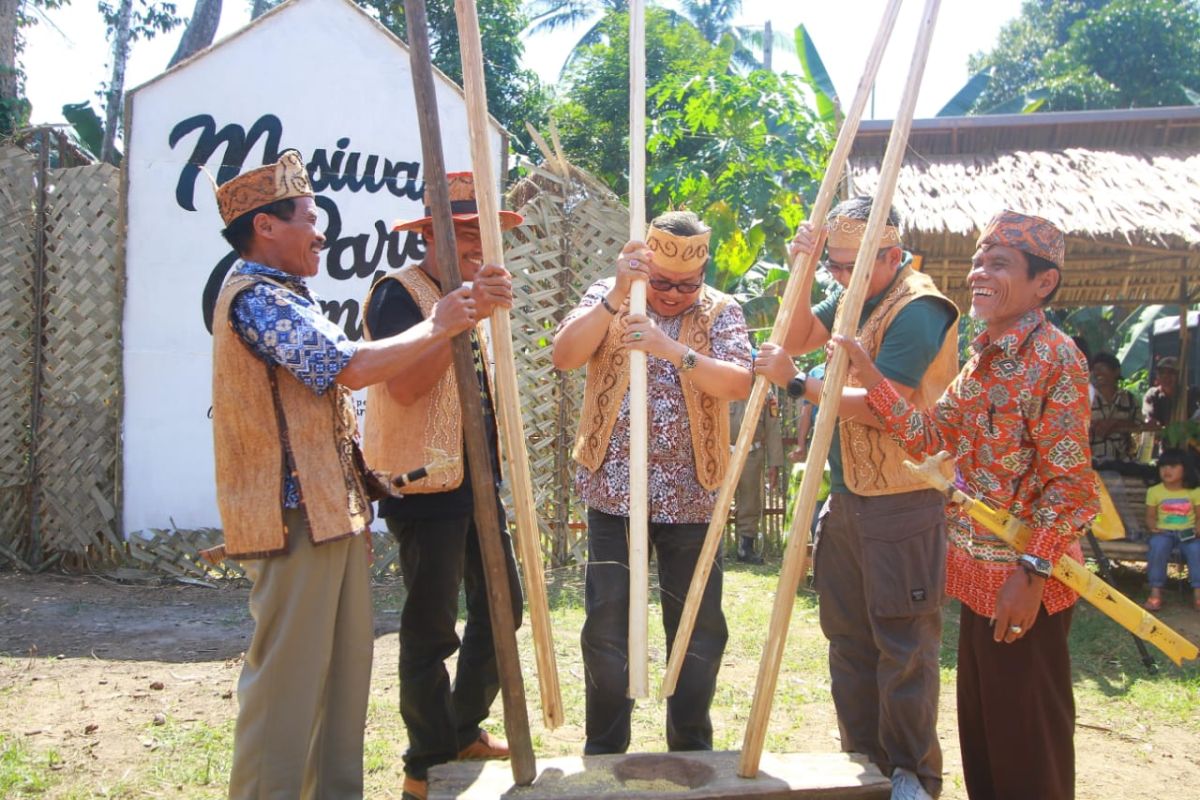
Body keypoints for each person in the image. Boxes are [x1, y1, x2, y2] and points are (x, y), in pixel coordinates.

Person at [211, 150, 479, 800]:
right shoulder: (256, 300)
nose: (321, 232)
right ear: (265, 226)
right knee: (287, 687)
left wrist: (356, 507)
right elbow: (350, 368)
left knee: (338, 679)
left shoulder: (285, 297)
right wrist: (441, 324)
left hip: (330, 516)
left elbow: (332, 406)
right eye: (309, 217)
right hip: (291, 521)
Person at [836, 210, 1099, 800]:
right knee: (985, 736)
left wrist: (1030, 575)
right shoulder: (983, 360)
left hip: (1027, 582)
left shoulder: (1056, 359)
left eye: (998, 263)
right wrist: (869, 373)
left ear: (1043, 283)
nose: (979, 272)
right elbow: (929, 438)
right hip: (979, 578)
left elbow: (1070, 486)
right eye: (979, 260)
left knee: (1029, 740)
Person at [753, 198, 958, 800]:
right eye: (833, 267)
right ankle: (863, 765)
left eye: (846, 266)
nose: (837, 277)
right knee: (848, 641)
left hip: (903, 497)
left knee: (903, 645)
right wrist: (803, 268)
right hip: (848, 496)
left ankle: (912, 774)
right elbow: (796, 332)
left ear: (890, 255)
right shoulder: (853, 290)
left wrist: (799, 383)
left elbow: (882, 404)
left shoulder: (919, 306)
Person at [551, 210, 752, 755]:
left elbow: (740, 383)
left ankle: (690, 750)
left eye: (686, 286)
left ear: (702, 274)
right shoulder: (610, 294)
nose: (671, 295)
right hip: (613, 495)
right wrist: (618, 295)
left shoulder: (722, 310)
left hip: (693, 495)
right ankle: (605, 750)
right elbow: (563, 355)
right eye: (661, 282)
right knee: (607, 625)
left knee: (698, 628)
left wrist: (673, 351)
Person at [361, 172, 524, 800]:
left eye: (486, 233)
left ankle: (461, 728)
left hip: (476, 482)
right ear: (429, 235)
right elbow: (404, 386)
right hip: (423, 485)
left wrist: (471, 311)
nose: (479, 244)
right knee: (432, 627)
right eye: (463, 232)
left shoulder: (466, 295)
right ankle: (424, 762)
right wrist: (454, 320)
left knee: (504, 604)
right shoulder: (397, 295)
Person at [730, 390, 785, 563]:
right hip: (722, 454)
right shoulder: (724, 382)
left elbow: (773, 429)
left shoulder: (766, 395)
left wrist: (774, 463)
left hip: (752, 455)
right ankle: (711, 548)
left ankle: (745, 548)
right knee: (714, 500)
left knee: (750, 501)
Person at [1142, 448, 1200, 612]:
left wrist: (1197, 528)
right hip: (1164, 533)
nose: (1167, 471)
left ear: (1185, 469)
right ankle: (1155, 592)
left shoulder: (1195, 491)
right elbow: (1150, 516)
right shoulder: (1155, 491)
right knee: (1157, 547)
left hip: (1189, 533)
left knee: (1197, 550)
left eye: (1173, 466)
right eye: (1163, 467)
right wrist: (1152, 526)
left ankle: (1198, 593)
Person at [1089, 352, 1140, 464]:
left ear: (1116, 372)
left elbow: (1139, 428)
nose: (1098, 373)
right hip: (1092, 463)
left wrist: (1116, 423)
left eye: (1102, 368)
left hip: (1123, 462)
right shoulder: (1085, 398)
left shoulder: (1129, 399)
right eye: (1095, 369)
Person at [1143, 356, 1200, 429]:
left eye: (1171, 372)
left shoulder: (1193, 393)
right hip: (1162, 437)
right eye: (1161, 373)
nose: (1165, 376)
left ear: (1181, 376)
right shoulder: (1153, 395)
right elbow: (1149, 419)